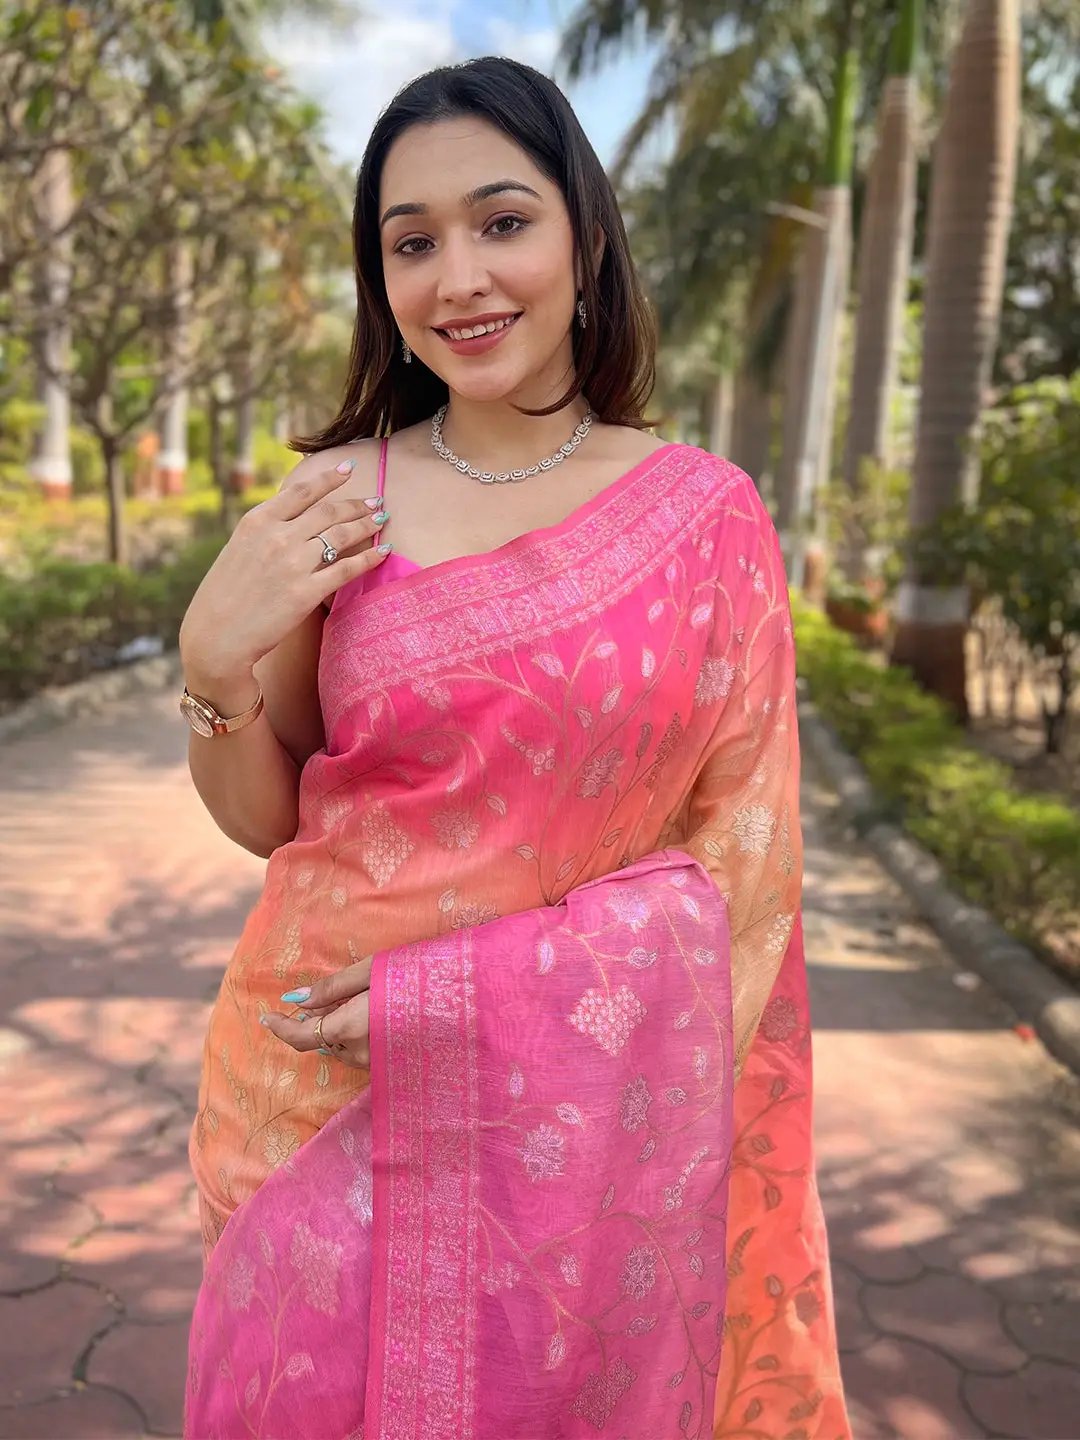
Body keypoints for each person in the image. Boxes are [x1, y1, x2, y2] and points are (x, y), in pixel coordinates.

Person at [179, 55, 850, 1440]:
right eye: (411, 244)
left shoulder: (707, 521)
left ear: (585, 238)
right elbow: (276, 818)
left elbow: (741, 875)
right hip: (312, 1094)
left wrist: (473, 997)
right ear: (382, 283)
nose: (460, 278)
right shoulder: (335, 503)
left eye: (501, 222)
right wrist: (211, 666)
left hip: (565, 1137)